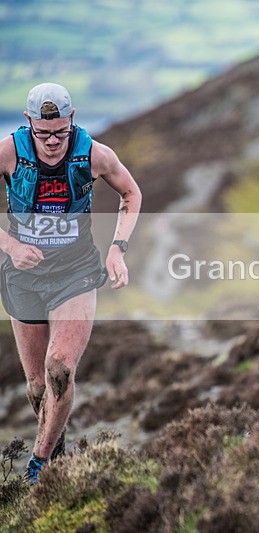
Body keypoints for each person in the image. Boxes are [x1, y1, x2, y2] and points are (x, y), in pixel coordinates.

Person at [0, 83, 142, 483]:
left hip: (75, 272)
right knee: (35, 386)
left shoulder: (95, 154)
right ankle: (57, 450)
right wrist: (10, 245)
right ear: (28, 122)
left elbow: (131, 193)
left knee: (59, 369)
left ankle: (39, 463)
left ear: (72, 119)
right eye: (43, 133)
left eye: (60, 132)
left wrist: (118, 249)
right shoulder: (9, 151)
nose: (51, 142)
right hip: (23, 276)